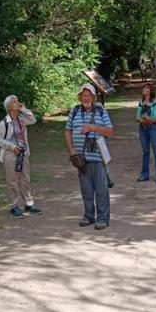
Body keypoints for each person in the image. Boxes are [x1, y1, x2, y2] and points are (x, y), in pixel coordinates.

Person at [65, 83, 114, 230]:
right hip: (81, 158)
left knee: (101, 190)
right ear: (80, 97)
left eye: (89, 95)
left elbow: (110, 131)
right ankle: (88, 216)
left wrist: (93, 128)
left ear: (93, 97)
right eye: (83, 95)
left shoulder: (100, 110)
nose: (86, 98)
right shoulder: (74, 111)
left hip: (98, 157)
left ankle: (103, 218)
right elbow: (68, 131)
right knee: (86, 189)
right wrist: (71, 150)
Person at [0, 95, 42, 218]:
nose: (18, 103)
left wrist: (23, 109)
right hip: (10, 154)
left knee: (25, 179)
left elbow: (33, 120)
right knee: (12, 180)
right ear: (9, 106)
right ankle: (14, 206)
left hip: (23, 152)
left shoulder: (22, 119)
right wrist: (11, 147)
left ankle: (28, 204)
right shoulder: (4, 122)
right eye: (14, 102)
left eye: (17, 101)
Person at [136, 83, 156, 184]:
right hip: (143, 128)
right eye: (144, 87)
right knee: (145, 152)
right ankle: (145, 174)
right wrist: (142, 120)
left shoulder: (154, 103)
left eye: (147, 88)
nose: (144, 89)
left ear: (150, 91)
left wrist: (148, 119)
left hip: (153, 128)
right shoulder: (141, 102)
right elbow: (137, 117)